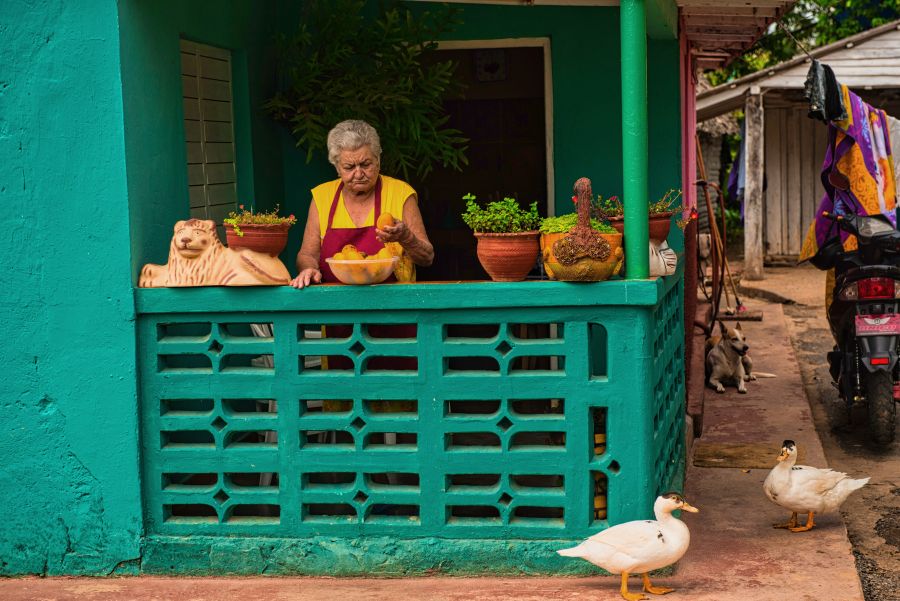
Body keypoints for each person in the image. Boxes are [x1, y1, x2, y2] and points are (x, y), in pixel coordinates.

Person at [290, 119, 433, 289]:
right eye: (349, 167)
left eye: (365, 164)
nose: (359, 174)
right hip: (334, 305)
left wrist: (405, 237)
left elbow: (427, 257)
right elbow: (307, 254)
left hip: (393, 305)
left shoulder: (401, 193)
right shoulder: (322, 197)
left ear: (378, 160)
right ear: (337, 168)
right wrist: (308, 269)